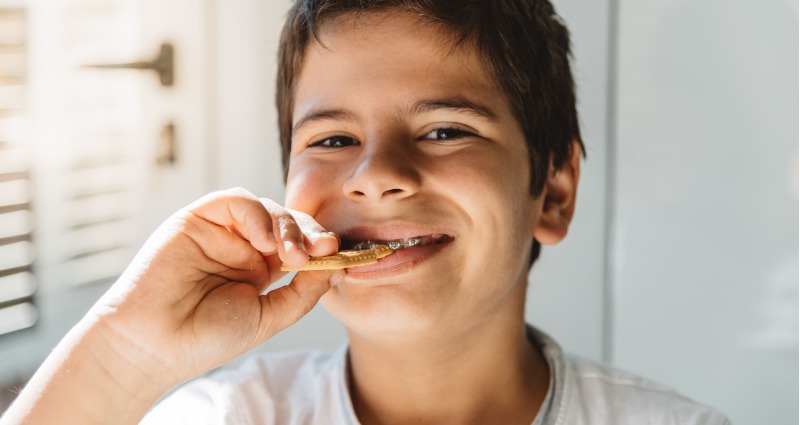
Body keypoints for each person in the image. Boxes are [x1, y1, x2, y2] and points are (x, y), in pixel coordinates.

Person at [1, 1, 731, 424]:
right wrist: (126, 354)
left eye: (446, 129)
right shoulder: (230, 417)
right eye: (333, 138)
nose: (377, 174)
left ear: (555, 189)